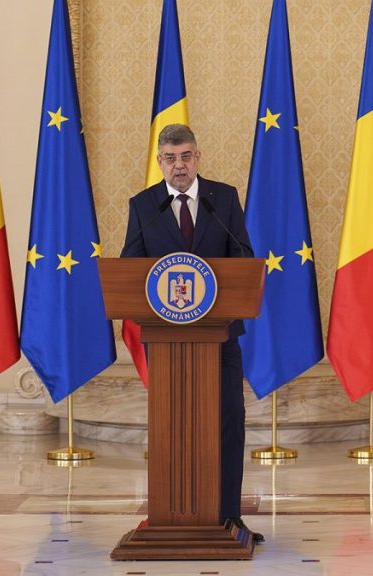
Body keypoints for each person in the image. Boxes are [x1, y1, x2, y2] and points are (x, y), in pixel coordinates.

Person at [121, 123, 261, 541]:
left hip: (219, 338)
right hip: (167, 343)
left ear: (197, 157)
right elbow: (130, 267)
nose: (178, 165)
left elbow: (244, 256)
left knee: (228, 423)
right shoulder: (144, 206)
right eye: (169, 158)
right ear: (159, 162)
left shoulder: (224, 198)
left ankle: (228, 516)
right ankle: (171, 515)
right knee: (173, 426)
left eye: (185, 156)